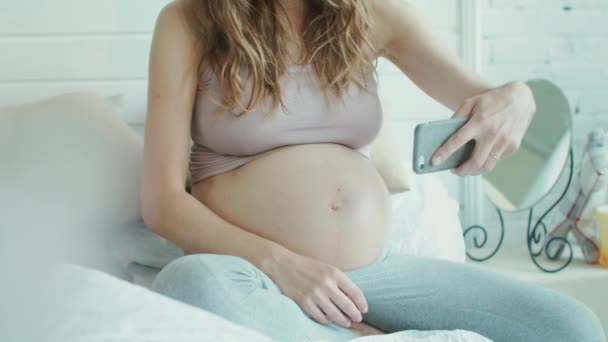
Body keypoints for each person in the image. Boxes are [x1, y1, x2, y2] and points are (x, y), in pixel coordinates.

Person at [140, 0, 606, 341]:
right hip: (254, 273)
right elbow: (163, 204)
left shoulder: (367, 12)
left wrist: (519, 96)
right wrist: (282, 265)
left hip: (377, 275)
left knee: (574, 328)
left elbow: (485, 95)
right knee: (190, 284)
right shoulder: (189, 20)